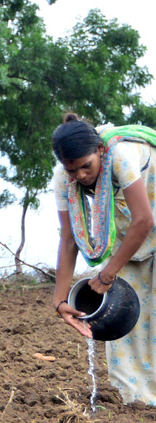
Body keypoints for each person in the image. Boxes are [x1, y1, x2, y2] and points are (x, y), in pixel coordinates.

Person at [50, 113, 156, 405]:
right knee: (123, 318)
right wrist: (61, 302)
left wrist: (106, 274)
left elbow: (145, 219)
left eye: (87, 166)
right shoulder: (63, 178)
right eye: (73, 172)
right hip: (127, 232)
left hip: (144, 217)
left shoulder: (120, 155)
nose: (81, 176)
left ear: (99, 149)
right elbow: (69, 239)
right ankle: (136, 401)